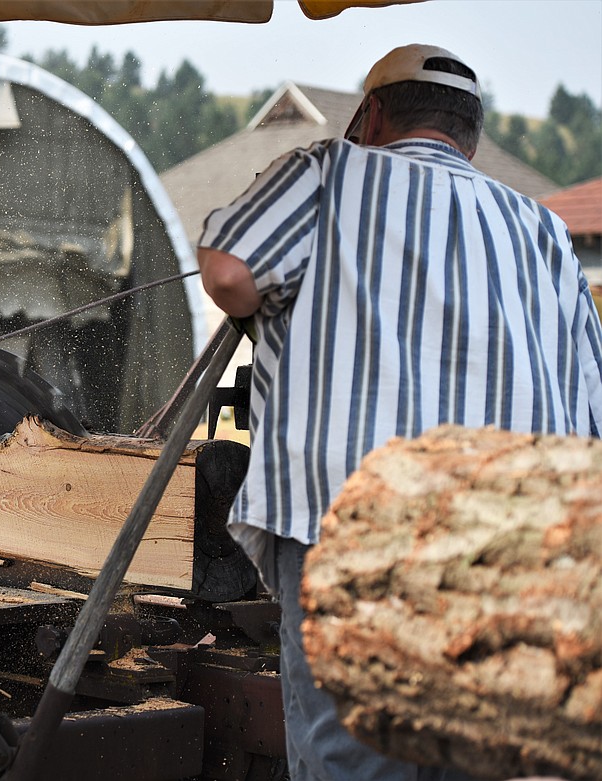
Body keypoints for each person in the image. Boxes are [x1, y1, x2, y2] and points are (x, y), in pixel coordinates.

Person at [197, 44, 602, 781]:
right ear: (469, 137)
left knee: (355, 760)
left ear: (372, 114)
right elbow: (592, 400)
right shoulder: (542, 230)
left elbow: (228, 271)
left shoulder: (330, 169)